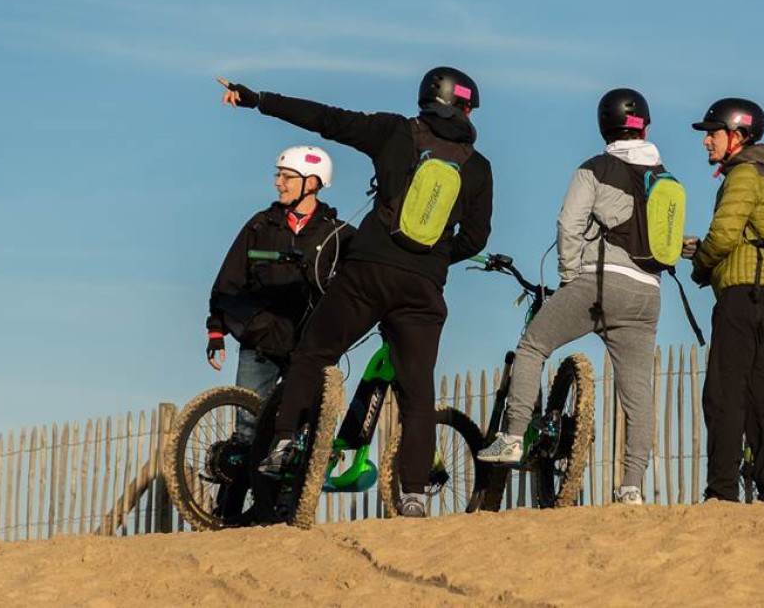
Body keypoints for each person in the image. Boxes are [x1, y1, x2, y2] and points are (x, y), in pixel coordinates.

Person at [216, 67, 493, 518]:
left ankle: (285, 443)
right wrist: (435, 258)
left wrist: (259, 99)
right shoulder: (478, 167)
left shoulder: (394, 132)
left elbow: (326, 118)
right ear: (466, 109)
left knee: (314, 353)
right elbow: (477, 237)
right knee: (417, 394)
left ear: (426, 99)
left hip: (367, 272)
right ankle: (415, 496)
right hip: (423, 290)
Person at [477, 88, 673, 505]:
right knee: (638, 392)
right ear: (646, 126)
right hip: (649, 294)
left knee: (532, 346)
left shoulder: (594, 169)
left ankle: (511, 437)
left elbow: (570, 223)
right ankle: (632, 487)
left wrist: (570, 277)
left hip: (601, 283)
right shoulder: (664, 177)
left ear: (604, 126)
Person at [206, 145, 353, 444]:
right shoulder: (261, 224)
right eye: (278, 175)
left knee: (303, 431)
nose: (278, 183)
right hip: (260, 342)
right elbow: (230, 276)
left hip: (309, 346)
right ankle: (233, 490)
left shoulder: (339, 234)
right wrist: (216, 330)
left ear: (311, 183)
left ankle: (286, 490)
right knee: (247, 430)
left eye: (287, 176)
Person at [689, 97, 764, 502]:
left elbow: (726, 235)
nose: (705, 142)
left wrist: (700, 264)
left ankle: (723, 491)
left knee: (723, 392)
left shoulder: (744, 175)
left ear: (736, 135)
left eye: (711, 133)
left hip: (742, 292)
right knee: (760, 392)